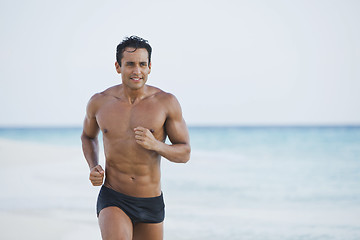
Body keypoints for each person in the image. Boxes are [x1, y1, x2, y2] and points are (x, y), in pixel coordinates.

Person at [81, 35, 191, 240]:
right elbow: (88, 137)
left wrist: (156, 145)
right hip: (113, 196)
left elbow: (184, 153)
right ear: (118, 66)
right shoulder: (99, 102)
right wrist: (93, 165)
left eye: (142, 64)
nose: (137, 71)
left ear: (150, 67)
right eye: (130, 64)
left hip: (150, 201)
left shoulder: (166, 102)